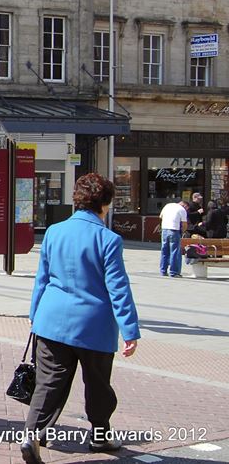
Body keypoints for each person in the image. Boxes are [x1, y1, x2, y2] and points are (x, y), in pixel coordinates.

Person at [21, 173, 140, 463]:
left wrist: (34, 313)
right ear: (106, 203)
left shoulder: (54, 231)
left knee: (49, 381)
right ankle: (100, 437)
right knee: (98, 384)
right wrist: (130, 329)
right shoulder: (109, 239)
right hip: (93, 326)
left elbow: (42, 279)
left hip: (51, 320)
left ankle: (32, 434)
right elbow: (118, 287)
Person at [159, 199, 189, 277]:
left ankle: (163, 270)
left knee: (164, 251)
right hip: (174, 230)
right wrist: (182, 231)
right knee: (175, 251)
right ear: (185, 205)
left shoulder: (167, 205)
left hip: (164, 229)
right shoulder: (182, 209)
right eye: (187, 208)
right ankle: (174, 272)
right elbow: (184, 224)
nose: (186, 210)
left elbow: (161, 216)